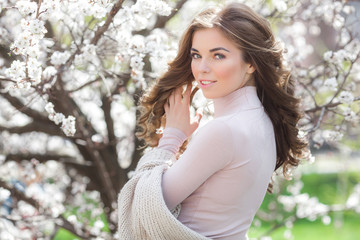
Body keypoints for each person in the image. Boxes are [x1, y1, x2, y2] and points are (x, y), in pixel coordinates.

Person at [118, 2, 308, 240]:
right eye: (196, 55)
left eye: (218, 55)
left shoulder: (225, 130)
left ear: (251, 62)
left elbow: (142, 209)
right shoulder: (262, 120)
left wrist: (171, 138)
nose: (202, 68)